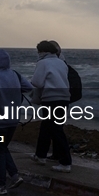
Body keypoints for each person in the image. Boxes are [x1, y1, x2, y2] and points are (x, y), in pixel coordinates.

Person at [0, 49, 32, 194]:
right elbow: (28, 87)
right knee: (2, 148)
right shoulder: (15, 74)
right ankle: (15, 176)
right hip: (13, 121)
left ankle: (0, 185)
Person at [31, 40, 73, 172]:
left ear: (42, 51)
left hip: (50, 99)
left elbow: (37, 82)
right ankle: (40, 155)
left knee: (55, 130)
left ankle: (66, 162)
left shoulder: (42, 63)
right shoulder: (61, 63)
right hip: (64, 98)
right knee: (48, 127)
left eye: (38, 51)